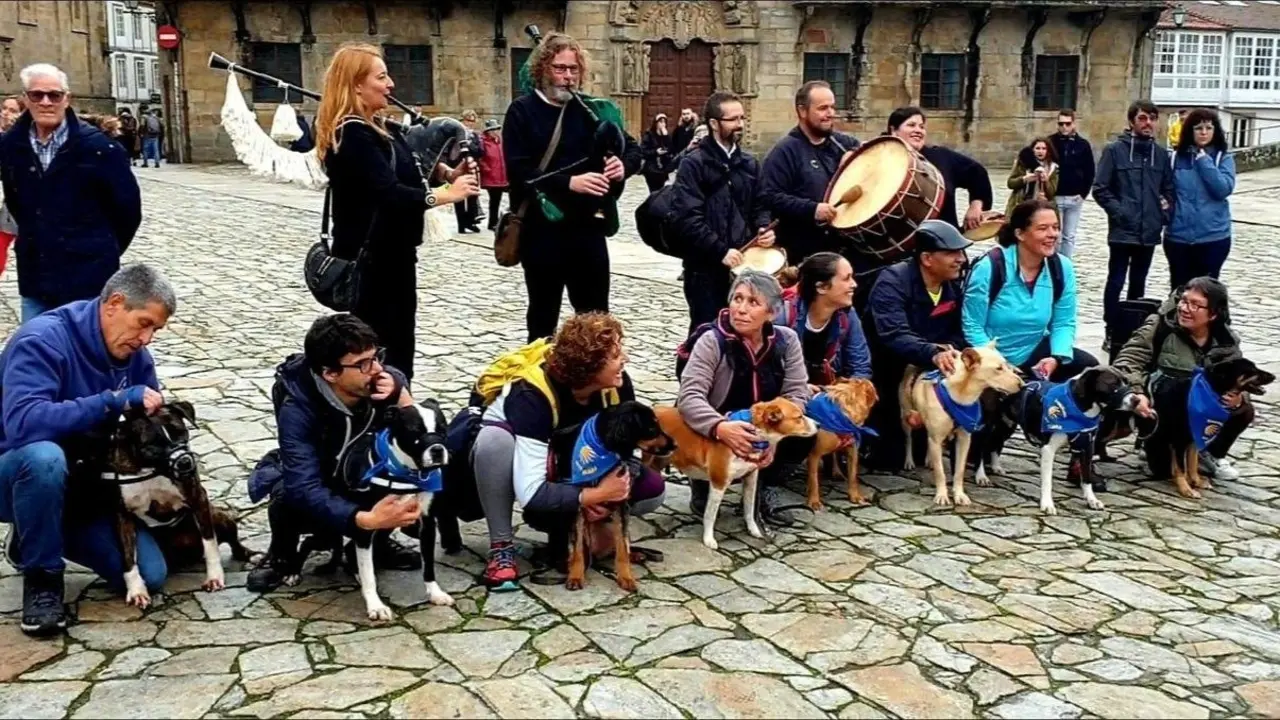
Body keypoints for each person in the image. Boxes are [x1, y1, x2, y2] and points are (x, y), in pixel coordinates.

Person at [0, 264, 174, 636]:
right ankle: (42, 579)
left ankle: (34, 534)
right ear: (114, 303)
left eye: (155, 330)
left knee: (152, 575)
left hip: (86, 484)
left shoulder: (136, 357)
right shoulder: (43, 340)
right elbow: (24, 424)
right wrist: (110, 402)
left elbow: (146, 430)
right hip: (17, 472)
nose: (147, 339)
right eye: (143, 323)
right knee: (43, 457)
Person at [315, 43, 479, 386]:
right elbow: (388, 193)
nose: (390, 84)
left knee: (400, 346)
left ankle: (394, 408)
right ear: (356, 84)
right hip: (372, 265)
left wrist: (446, 173)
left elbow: (408, 167)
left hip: (395, 258)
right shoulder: (352, 134)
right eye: (381, 76)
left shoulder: (378, 128)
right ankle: (382, 416)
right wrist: (445, 196)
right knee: (380, 351)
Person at [470, 313, 664, 588]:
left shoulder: (617, 385)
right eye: (616, 354)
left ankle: (590, 536)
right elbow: (531, 492)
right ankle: (501, 546)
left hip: (578, 470)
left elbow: (627, 452)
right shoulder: (531, 396)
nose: (626, 359)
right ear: (590, 366)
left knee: (653, 490)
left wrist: (616, 488)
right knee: (493, 441)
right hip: (527, 470)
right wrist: (592, 495)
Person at [245, 314, 425, 593]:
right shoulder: (298, 409)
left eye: (377, 357)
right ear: (330, 373)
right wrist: (363, 519)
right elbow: (304, 485)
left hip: (365, 475)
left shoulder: (383, 383)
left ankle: (372, 545)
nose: (377, 368)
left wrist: (402, 396)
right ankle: (282, 554)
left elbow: (421, 442)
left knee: (403, 478)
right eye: (363, 364)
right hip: (322, 478)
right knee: (287, 492)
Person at [502, 32, 642, 342]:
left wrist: (623, 167)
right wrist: (570, 183)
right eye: (559, 68)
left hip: (588, 231)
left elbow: (633, 149)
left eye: (573, 69)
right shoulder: (522, 111)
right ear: (543, 69)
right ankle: (540, 385)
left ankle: (594, 385)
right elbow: (518, 170)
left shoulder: (591, 110)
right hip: (542, 230)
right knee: (543, 318)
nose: (568, 77)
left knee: (596, 320)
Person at [0, 64, 141, 322]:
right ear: (25, 99)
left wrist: (98, 249)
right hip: (36, 274)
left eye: (54, 95)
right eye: (37, 95)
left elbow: (128, 212)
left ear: (67, 99)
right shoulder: (10, 146)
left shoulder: (99, 148)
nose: (46, 102)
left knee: (85, 353)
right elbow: (16, 202)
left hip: (88, 276)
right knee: (37, 351)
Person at [680, 271, 810, 526]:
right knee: (695, 424)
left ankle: (765, 485)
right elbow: (690, 396)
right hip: (718, 419)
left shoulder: (787, 341)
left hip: (765, 423)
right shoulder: (712, 340)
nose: (741, 309)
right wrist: (719, 428)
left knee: (806, 430)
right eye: (737, 299)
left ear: (771, 312)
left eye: (753, 302)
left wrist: (775, 438)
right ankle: (702, 481)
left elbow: (796, 392)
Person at [1113, 277, 1247, 481]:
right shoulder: (1160, 325)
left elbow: (1240, 375)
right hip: (1162, 409)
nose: (1185, 308)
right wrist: (1137, 392)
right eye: (1184, 301)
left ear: (1213, 314)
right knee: (1162, 473)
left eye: (1196, 305)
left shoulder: (1226, 340)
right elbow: (1129, 358)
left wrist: (1239, 397)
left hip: (1201, 409)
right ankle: (1151, 443)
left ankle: (1209, 452)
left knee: (1244, 409)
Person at [865, 220, 971, 469]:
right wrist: (933, 351)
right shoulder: (891, 282)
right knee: (889, 459)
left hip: (927, 368)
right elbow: (894, 334)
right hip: (886, 369)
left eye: (961, 252)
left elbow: (958, 332)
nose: (961, 259)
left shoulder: (951, 286)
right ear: (926, 258)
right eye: (952, 253)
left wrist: (951, 348)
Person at [671, 91, 774, 334]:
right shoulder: (693, 163)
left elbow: (760, 204)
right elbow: (686, 218)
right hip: (704, 267)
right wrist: (720, 250)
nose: (740, 125)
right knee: (706, 333)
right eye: (733, 119)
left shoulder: (749, 163)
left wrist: (763, 226)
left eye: (742, 118)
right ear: (714, 124)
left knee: (744, 333)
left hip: (743, 264)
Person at [963, 198, 1097, 381]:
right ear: (1020, 234)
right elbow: (972, 326)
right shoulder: (990, 267)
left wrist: (1056, 358)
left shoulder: (1062, 267)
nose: (1053, 234)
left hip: (1034, 351)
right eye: (1043, 228)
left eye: (1056, 227)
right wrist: (1000, 366)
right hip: (991, 358)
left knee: (1093, 371)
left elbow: (1063, 322)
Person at [1093, 100, 1174, 350]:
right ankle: (1111, 328)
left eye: (1152, 118)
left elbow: (1169, 189)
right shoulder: (1115, 151)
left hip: (1148, 231)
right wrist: (1121, 213)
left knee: (1139, 282)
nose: (1148, 123)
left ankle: (1132, 329)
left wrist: (1163, 212)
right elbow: (1101, 188)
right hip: (1122, 230)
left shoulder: (1160, 155)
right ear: (1131, 122)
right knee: (1116, 281)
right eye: (1142, 118)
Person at [759, 81, 860, 265]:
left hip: (847, 249)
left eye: (832, 107)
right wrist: (812, 209)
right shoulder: (784, 151)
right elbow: (770, 196)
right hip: (805, 253)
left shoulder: (844, 144)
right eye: (822, 108)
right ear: (802, 111)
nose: (830, 113)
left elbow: (870, 161)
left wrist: (855, 158)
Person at [887, 106, 992, 234]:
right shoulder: (880, 160)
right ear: (893, 130)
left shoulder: (941, 157)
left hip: (944, 243)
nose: (918, 130)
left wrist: (976, 206)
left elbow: (977, 173)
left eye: (921, 127)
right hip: (897, 244)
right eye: (911, 125)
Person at [774, 252, 871, 388]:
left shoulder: (848, 315)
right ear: (821, 287)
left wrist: (847, 396)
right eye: (846, 279)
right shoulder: (782, 316)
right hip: (787, 396)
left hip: (828, 394)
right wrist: (801, 388)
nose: (854, 284)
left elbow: (860, 367)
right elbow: (769, 373)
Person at [1165, 108, 1235, 289]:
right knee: (1179, 290)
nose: (1204, 133)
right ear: (1190, 131)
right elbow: (1167, 189)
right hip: (1179, 238)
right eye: (1198, 128)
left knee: (1206, 292)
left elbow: (1222, 189)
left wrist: (1204, 161)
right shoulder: (1175, 159)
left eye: (1208, 128)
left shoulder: (1223, 159)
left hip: (1213, 238)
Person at [1048, 109, 1095, 258]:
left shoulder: (1082, 145)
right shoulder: (1050, 142)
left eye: (1067, 124)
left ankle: (1065, 265)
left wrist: (1083, 194)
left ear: (1073, 124)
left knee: (1069, 236)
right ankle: (1052, 265)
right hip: (1055, 196)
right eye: (1061, 124)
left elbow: (1090, 171)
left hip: (1074, 197)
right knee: (1054, 236)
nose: (1064, 127)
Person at [1005, 137, 1059, 217]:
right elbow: (1010, 183)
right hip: (1020, 203)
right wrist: (1024, 179)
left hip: (1041, 206)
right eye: (1037, 148)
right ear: (1033, 150)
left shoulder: (1053, 168)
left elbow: (1052, 192)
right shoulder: (1021, 163)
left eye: (1044, 149)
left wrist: (1046, 181)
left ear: (1048, 151)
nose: (1040, 151)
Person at [0, 95, 21, 276]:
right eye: (4, 109)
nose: (6, 113)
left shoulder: (22, 138)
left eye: (12, 110)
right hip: (11, 205)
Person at [454, 109, 483, 234]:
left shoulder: (474, 135)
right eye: (468, 120)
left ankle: (471, 221)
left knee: (472, 195)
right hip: (459, 167)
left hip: (472, 167)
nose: (470, 123)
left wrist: (471, 144)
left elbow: (480, 151)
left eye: (472, 121)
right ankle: (461, 223)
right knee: (459, 197)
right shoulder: (457, 134)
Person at [478, 118, 507, 231]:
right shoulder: (483, 142)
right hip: (491, 177)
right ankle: (492, 223)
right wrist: (487, 169)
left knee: (499, 200)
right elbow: (480, 159)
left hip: (502, 176)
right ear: (488, 131)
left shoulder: (500, 141)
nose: (496, 131)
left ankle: (497, 221)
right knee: (494, 201)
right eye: (493, 130)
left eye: (497, 129)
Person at [640, 113, 674, 193]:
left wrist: (665, 136)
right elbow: (643, 151)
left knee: (661, 191)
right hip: (651, 168)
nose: (662, 124)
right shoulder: (649, 135)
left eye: (664, 122)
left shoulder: (666, 135)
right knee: (653, 191)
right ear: (656, 123)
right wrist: (656, 152)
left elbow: (671, 149)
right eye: (660, 122)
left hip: (663, 169)